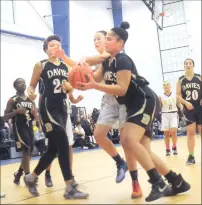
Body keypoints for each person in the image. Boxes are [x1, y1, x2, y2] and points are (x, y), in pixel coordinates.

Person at [75, 21, 191, 202]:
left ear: (120, 43)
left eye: (109, 39)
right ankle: (176, 181)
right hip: (134, 105)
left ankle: (157, 183)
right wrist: (81, 79)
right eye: (105, 39)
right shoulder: (108, 62)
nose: (106, 42)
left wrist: (94, 85)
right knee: (143, 150)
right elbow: (92, 78)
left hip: (144, 101)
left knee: (127, 139)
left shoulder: (123, 60)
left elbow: (121, 89)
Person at [54, 30, 142, 198]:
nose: (96, 41)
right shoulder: (102, 61)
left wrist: (69, 59)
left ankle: (135, 182)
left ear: (109, 40)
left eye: (99, 38)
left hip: (126, 99)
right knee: (98, 134)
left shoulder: (113, 57)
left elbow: (86, 62)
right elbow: (85, 72)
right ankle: (119, 162)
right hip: (109, 98)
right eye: (93, 39)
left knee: (126, 143)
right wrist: (78, 80)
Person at [25, 35, 89, 199]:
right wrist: (30, 93)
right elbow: (31, 87)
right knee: (62, 141)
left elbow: (68, 91)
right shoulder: (40, 65)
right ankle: (69, 186)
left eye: (58, 45)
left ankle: (31, 178)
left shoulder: (65, 67)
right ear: (46, 48)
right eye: (52, 45)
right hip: (47, 109)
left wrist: (74, 97)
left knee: (53, 149)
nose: (55, 47)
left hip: (62, 109)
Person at [44, 92, 84, 187]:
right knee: (51, 147)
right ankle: (47, 174)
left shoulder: (67, 81)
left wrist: (77, 100)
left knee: (69, 145)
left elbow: (72, 98)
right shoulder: (51, 82)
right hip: (53, 115)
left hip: (66, 115)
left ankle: (70, 175)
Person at [4, 78, 38, 185]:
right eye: (19, 82)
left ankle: (18, 174)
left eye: (23, 82)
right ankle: (28, 177)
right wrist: (16, 112)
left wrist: (34, 113)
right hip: (18, 127)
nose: (22, 84)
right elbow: (5, 117)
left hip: (29, 127)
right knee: (26, 150)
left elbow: (34, 117)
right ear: (15, 86)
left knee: (29, 152)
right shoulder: (12, 100)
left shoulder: (30, 99)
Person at [176, 58, 202, 165]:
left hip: (200, 108)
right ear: (184, 66)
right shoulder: (181, 80)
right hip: (189, 109)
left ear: (193, 65)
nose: (188, 65)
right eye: (186, 63)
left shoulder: (199, 77)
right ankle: (191, 156)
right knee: (190, 132)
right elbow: (177, 95)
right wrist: (185, 103)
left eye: (190, 63)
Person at [159, 81, 179, 156]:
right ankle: (167, 149)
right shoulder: (161, 96)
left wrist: (183, 108)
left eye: (167, 85)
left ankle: (174, 146)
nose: (166, 86)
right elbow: (159, 107)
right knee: (166, 134)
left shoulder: (175, 95)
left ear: (170, 86)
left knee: (174, 131)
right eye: (164, 85)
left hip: (173, 114)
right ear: (163, 87)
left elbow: (179, 104)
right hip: (165, 115)